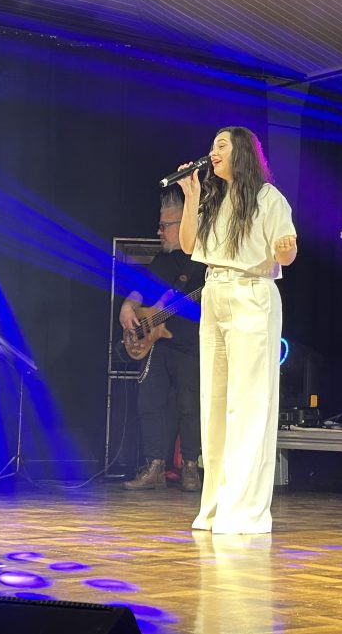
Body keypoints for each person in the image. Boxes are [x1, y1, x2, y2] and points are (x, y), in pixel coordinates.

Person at [177, 126, 297, 535]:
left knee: (248, 404)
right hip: (215, 293)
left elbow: (287, 251)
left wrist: (284, 248)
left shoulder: (268, 197)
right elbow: (190, 245)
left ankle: (244, 510)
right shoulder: (214, 198)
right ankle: (215, 506)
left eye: (221, 146)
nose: (213, 152)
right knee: (215, 402)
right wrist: (190, 195)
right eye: (212, 145)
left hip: (251, 294)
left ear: (241, 152)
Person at [119, 190, 205, 492]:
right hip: (158, 344)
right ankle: (155, 465)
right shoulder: (161, 259)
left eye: (165, 226)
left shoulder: (203, 260)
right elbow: (140, 290)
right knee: (149, 403)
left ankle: (190, 466)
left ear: (184, 225)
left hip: (190, 345)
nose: (159, 232)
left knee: (189, 406)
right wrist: (128, 306)